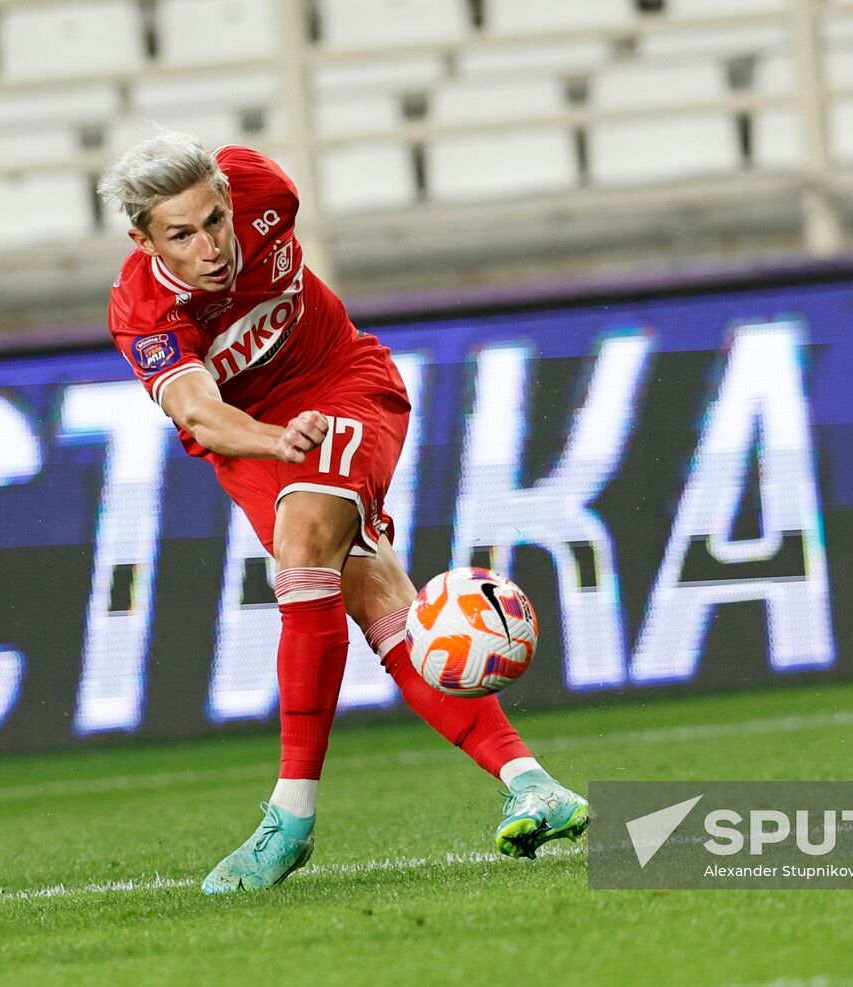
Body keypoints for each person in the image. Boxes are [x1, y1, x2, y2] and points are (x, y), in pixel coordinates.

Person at [96, 132, 587, 894]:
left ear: (229, 200)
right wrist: (270, 439)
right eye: (182, 234)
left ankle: (289, 818)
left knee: (302, 548)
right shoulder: (143, 309)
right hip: (256, 438)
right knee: (378, 599)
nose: (211, 247)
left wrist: (288, 434)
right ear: (143, 238)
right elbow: (198, 413)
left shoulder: (263, 186)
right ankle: (533, 783)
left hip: (342, 387)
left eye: (216, 221)